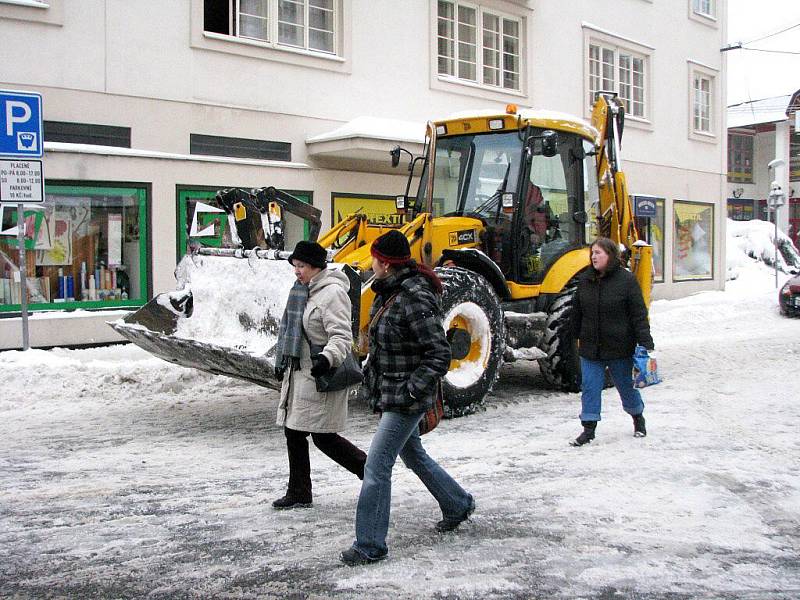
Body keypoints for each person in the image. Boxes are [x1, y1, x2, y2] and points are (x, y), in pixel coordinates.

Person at [340, 230, 475, 566]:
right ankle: (458, 504)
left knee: (376, 466)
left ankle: (370, 544)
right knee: (414, 455)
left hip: (407, 398)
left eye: (373, 258)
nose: (370, 264)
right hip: (394, 392)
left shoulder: (414, 296)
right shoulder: (390, 291)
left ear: (384, 263)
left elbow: (439, 353)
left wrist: (413, 390)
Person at [272, 240, 367, 508]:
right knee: (294, 432)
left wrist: (327, 358)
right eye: (295, 266)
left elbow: (341, 335)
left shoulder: (333, 293)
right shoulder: (302, 291)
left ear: (316, 266)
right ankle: (299, 492)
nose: (296, 271)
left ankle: (371, 473)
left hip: (320, 375)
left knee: (324, 437)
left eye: (301, 266)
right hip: (300, 374)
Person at [569, 237, 654, 446]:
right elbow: (576, 312)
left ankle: (637, 418)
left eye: (598, 253)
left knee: (626, 387)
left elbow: (638, 314)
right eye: (592, 253)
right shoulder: (586, 280)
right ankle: (588, 430)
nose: (593, 257)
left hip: (619, 347)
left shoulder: (626, 281)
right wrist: (572, 336)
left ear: (611, 255)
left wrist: (645, 341)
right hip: (591, 348)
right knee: (590, 387)